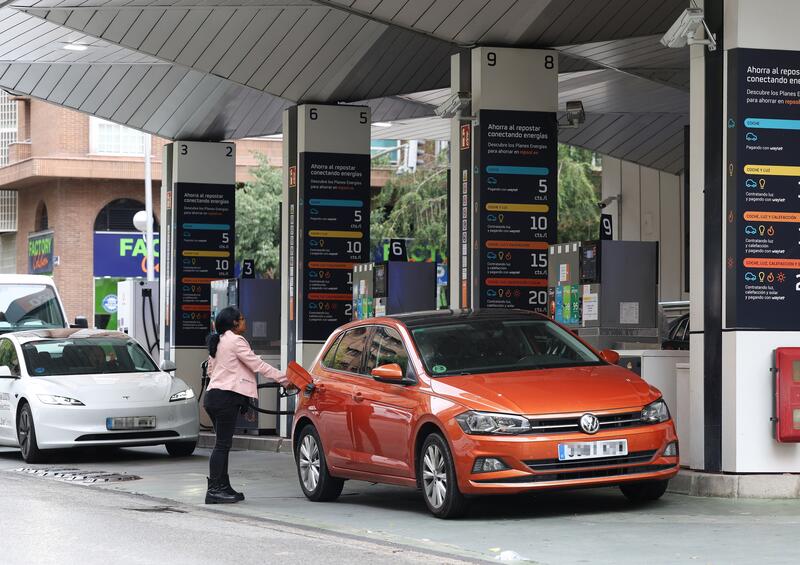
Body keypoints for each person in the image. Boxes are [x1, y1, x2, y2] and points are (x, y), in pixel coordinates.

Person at [204, 306, 291, 504]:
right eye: (242, 319)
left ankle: (223, 486)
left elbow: (211, 371)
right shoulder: (236, 340)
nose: (245, 322)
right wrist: (284, 379)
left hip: (213, 397)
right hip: (226, 398)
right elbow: (257, 365)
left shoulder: (219, 341)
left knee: (222, 444)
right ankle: (215, 489)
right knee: (222, 445)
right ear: (234, 323)